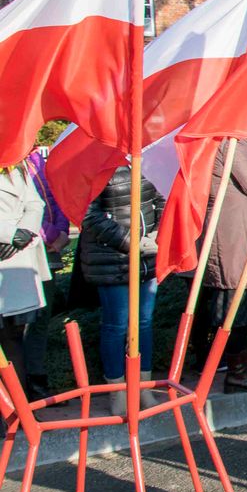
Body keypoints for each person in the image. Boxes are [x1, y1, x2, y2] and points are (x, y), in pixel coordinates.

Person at [189, 138, 247, 393]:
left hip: (243, 231)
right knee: (234, 305)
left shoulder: (243, 144)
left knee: (245, 303)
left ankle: (242, 364)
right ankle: (236, 370)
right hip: (233, 235)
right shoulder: (234, 144)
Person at [78, 166, 163, 416]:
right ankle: (117, 391)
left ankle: (143, 387)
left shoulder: (148, 159)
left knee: (145, 323)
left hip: (147, 257)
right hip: (111, 260)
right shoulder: (97, 162)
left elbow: (162, 198)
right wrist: (131, 241)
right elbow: (89, 215)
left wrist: (158, 233)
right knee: (116, 325)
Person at [23, 148, 71, 401]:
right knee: (20, 326)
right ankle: (20, 387)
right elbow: (22, 210)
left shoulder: (37, 159)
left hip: (49, 255)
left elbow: (55, 196)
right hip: (22, 252)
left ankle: (38, 385)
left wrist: (62, 233)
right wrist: (52, 234)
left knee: (40, 323)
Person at [0, 160, 49, 393]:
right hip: (7, 246)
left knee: (13, 339)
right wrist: (8, 234)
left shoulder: (14, 164)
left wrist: (25, 232)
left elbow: (35, 203)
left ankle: (17, 412)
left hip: (16, 260)